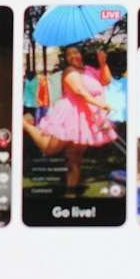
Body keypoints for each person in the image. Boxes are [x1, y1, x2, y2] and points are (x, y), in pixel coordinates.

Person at [22, 45, 116, 190]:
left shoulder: (90, 71)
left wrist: (103, 63)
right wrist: (100, 104)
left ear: (81, 54)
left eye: (75, 52)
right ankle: (25, 124)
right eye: (68, 54)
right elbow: (79, 91)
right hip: (69, 114)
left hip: (85, 118)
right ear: (66, 59)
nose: (73, 56)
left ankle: (71, 190)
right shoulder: (69, 71)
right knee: (49, 148)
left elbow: (106, 80)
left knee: (75, 158)